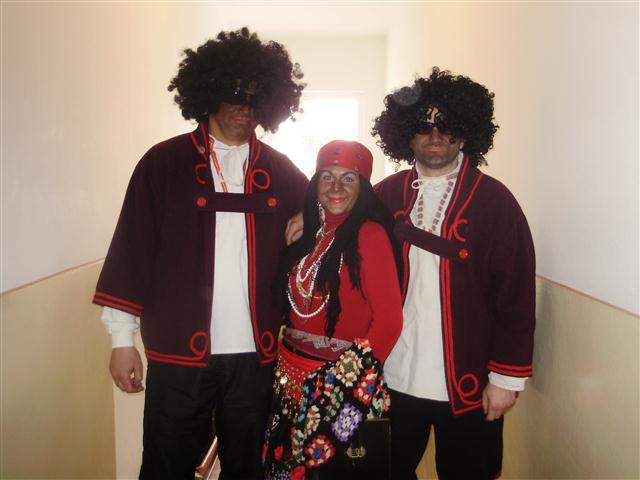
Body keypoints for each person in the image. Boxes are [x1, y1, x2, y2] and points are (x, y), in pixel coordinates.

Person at [93, 27, 308, 479]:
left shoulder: (283, 171)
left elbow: (334, 225)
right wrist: (121, 342)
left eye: (255, 97)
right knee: (167, 466)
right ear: (208, 93)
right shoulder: (162, 164)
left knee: (251, 469)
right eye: (233, 94)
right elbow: (132, 252)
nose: (244, 108)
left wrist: (311, 221)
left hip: (255, 357)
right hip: (178, 356)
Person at [371, 67, 536, 479]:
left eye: (446, 124)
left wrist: (506, 378)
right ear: (405, 133)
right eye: (423, 124)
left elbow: (514, 297)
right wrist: (307, 219)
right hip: (392, 376)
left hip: (469, 383)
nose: (435, 135)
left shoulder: (495, 201)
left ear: (466, 132)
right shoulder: (384, 194)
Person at [263, 140, 404, 479]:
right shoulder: (308, 231)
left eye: (348, 178)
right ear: (315, 184)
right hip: (290, 382)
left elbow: (389, 322)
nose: (336, 187)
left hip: (337, 387)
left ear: (363, 187)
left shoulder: (369, 235)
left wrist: (342, 389)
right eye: (327, 176)